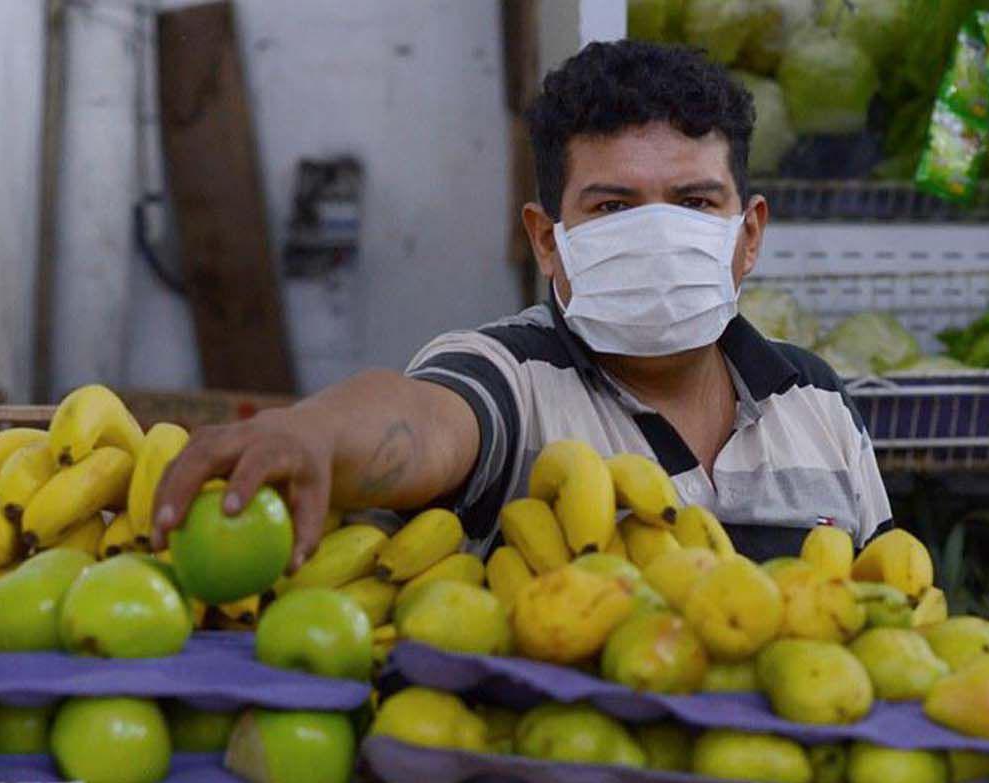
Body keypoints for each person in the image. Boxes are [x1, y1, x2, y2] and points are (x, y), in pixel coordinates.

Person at [151, 39, 892, 566]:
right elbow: (422, 419)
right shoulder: (513, 377)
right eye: (612, 207)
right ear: (547, 239)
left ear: (749, 232)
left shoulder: (815, 400)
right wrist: (313, 431)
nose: (658, 232)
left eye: (695, 201)